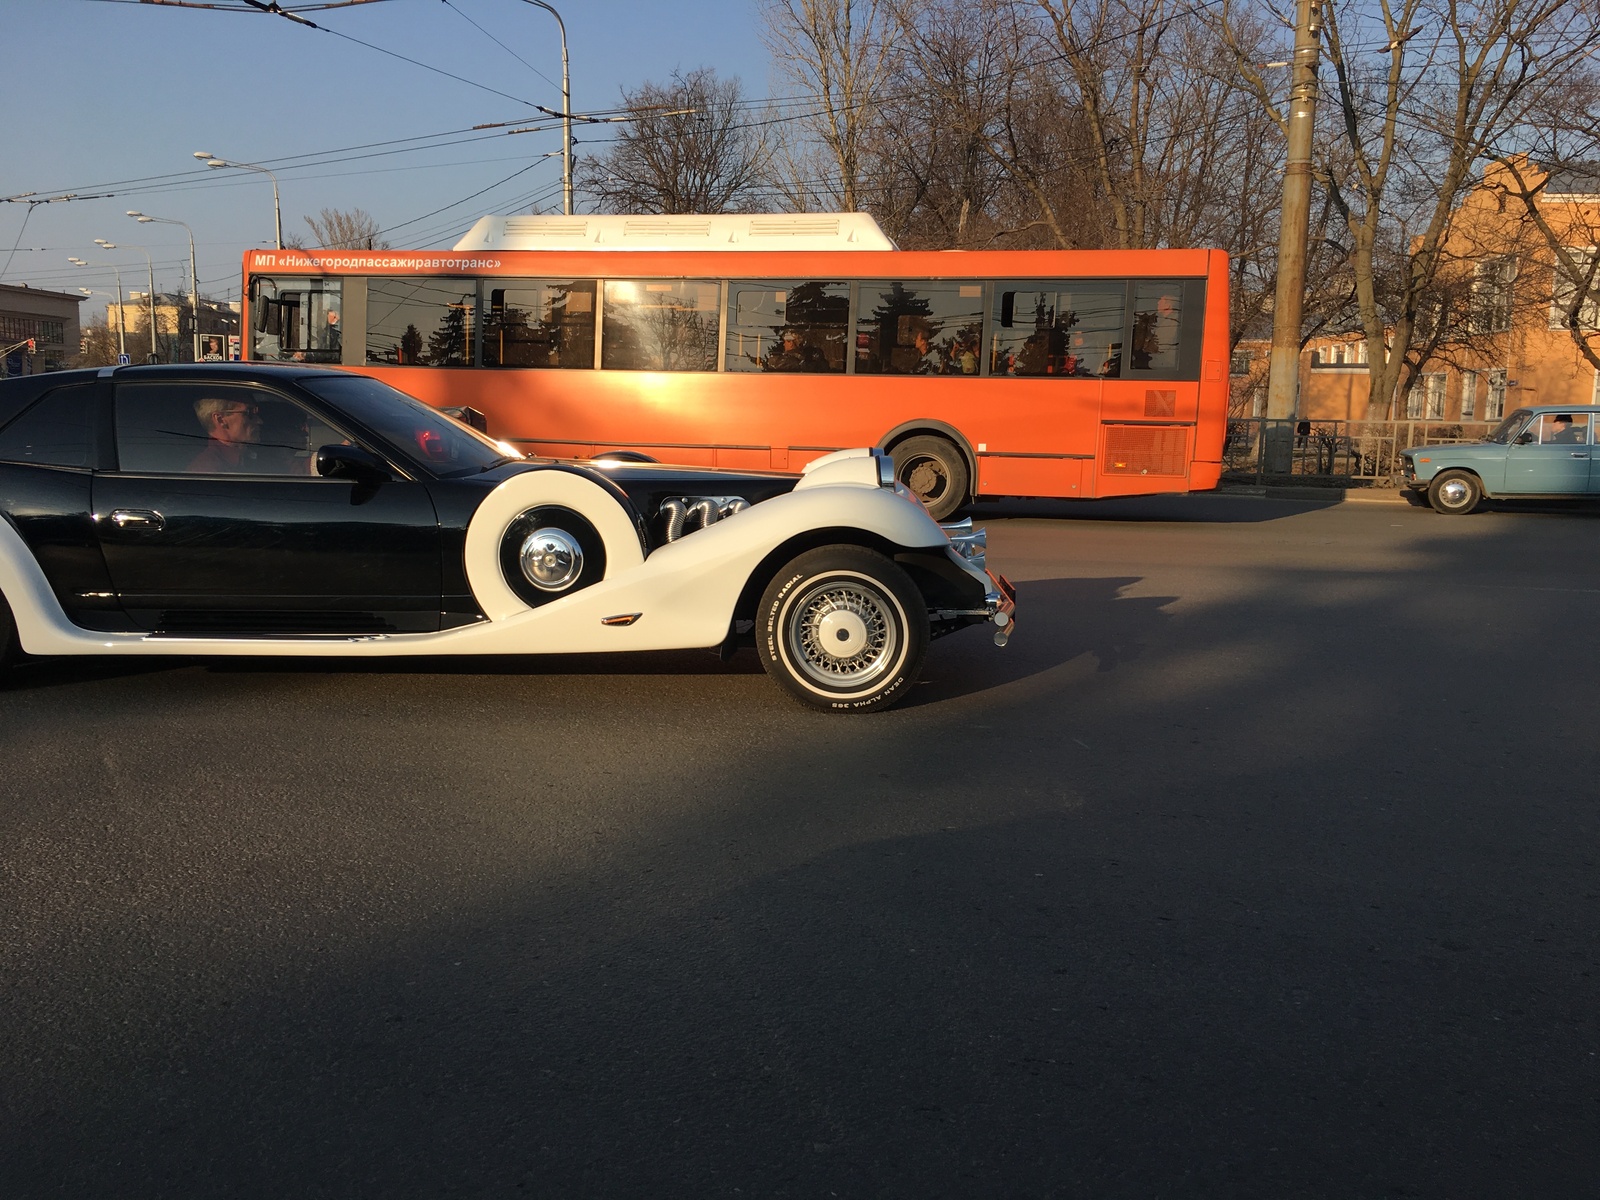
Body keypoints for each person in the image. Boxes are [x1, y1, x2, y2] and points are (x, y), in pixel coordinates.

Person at [189, 396, 263, 473]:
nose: (259, 421)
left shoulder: (247, 458)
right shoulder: (207, 470)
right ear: (220, 420)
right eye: (249, 413)